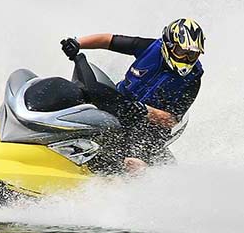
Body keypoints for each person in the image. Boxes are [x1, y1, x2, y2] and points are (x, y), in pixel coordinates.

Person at [60, 18, 205, 172]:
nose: (187, 59)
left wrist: (145, 110)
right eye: (182, 52)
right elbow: (108, 40)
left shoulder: (193, 80)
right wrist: (77, 43)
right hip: (121, 103)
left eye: (192, 55)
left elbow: (172, 120)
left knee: (133, 164)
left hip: (149, 126)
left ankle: (123, 188)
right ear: (168, 46)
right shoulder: (149, 48)